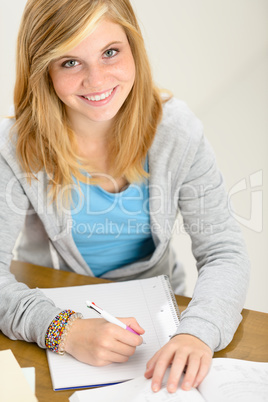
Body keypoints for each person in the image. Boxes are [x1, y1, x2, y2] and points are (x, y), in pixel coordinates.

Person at [0, 0, 250, 394]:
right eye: (69, 62)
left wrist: (198, 333)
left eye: (110, 52)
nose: (96, 80)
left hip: (160, 313)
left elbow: (224, 251)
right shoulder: (15, 148)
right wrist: (62, 329)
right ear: (42, 70)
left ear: (134, 48)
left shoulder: (177, 132)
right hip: (55, 308)